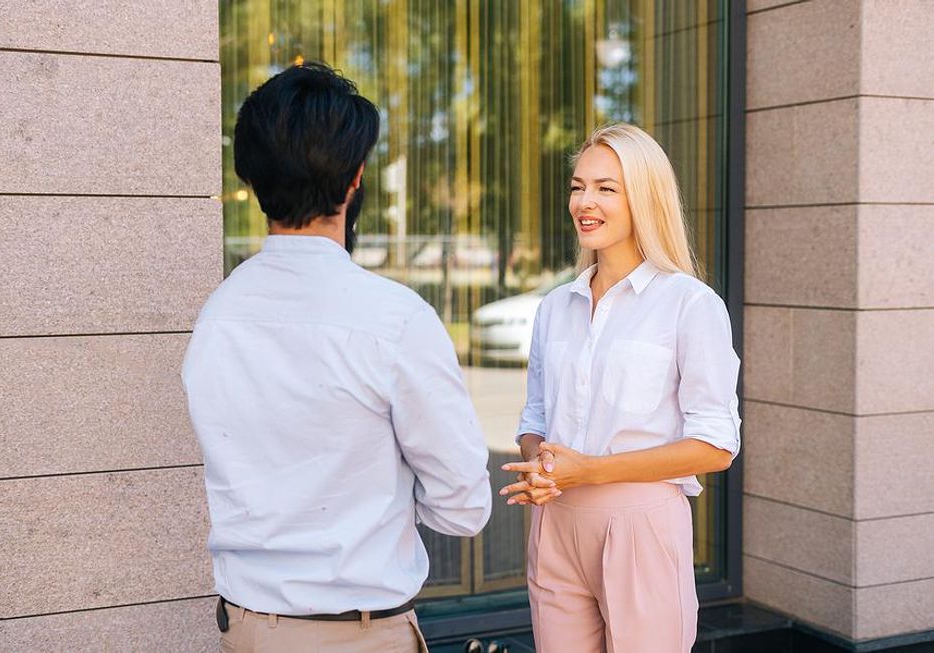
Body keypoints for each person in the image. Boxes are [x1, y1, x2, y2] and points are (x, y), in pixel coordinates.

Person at [182, 62, 492, 653]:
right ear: (356, 178)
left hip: (244, 629)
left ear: (251, 179)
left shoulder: (216, 317)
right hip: (359, 634)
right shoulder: (395, 320)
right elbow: (464, 506)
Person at [500, 123, 741, 653]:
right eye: (577, 186)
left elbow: (717, 445)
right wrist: (542, 465)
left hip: (642, 528)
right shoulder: (554, 308)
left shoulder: (690, 305)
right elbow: (534, 419)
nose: (584, 201)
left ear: (644, 197)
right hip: (556, 522)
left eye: (606, 188)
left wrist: (589, 470)